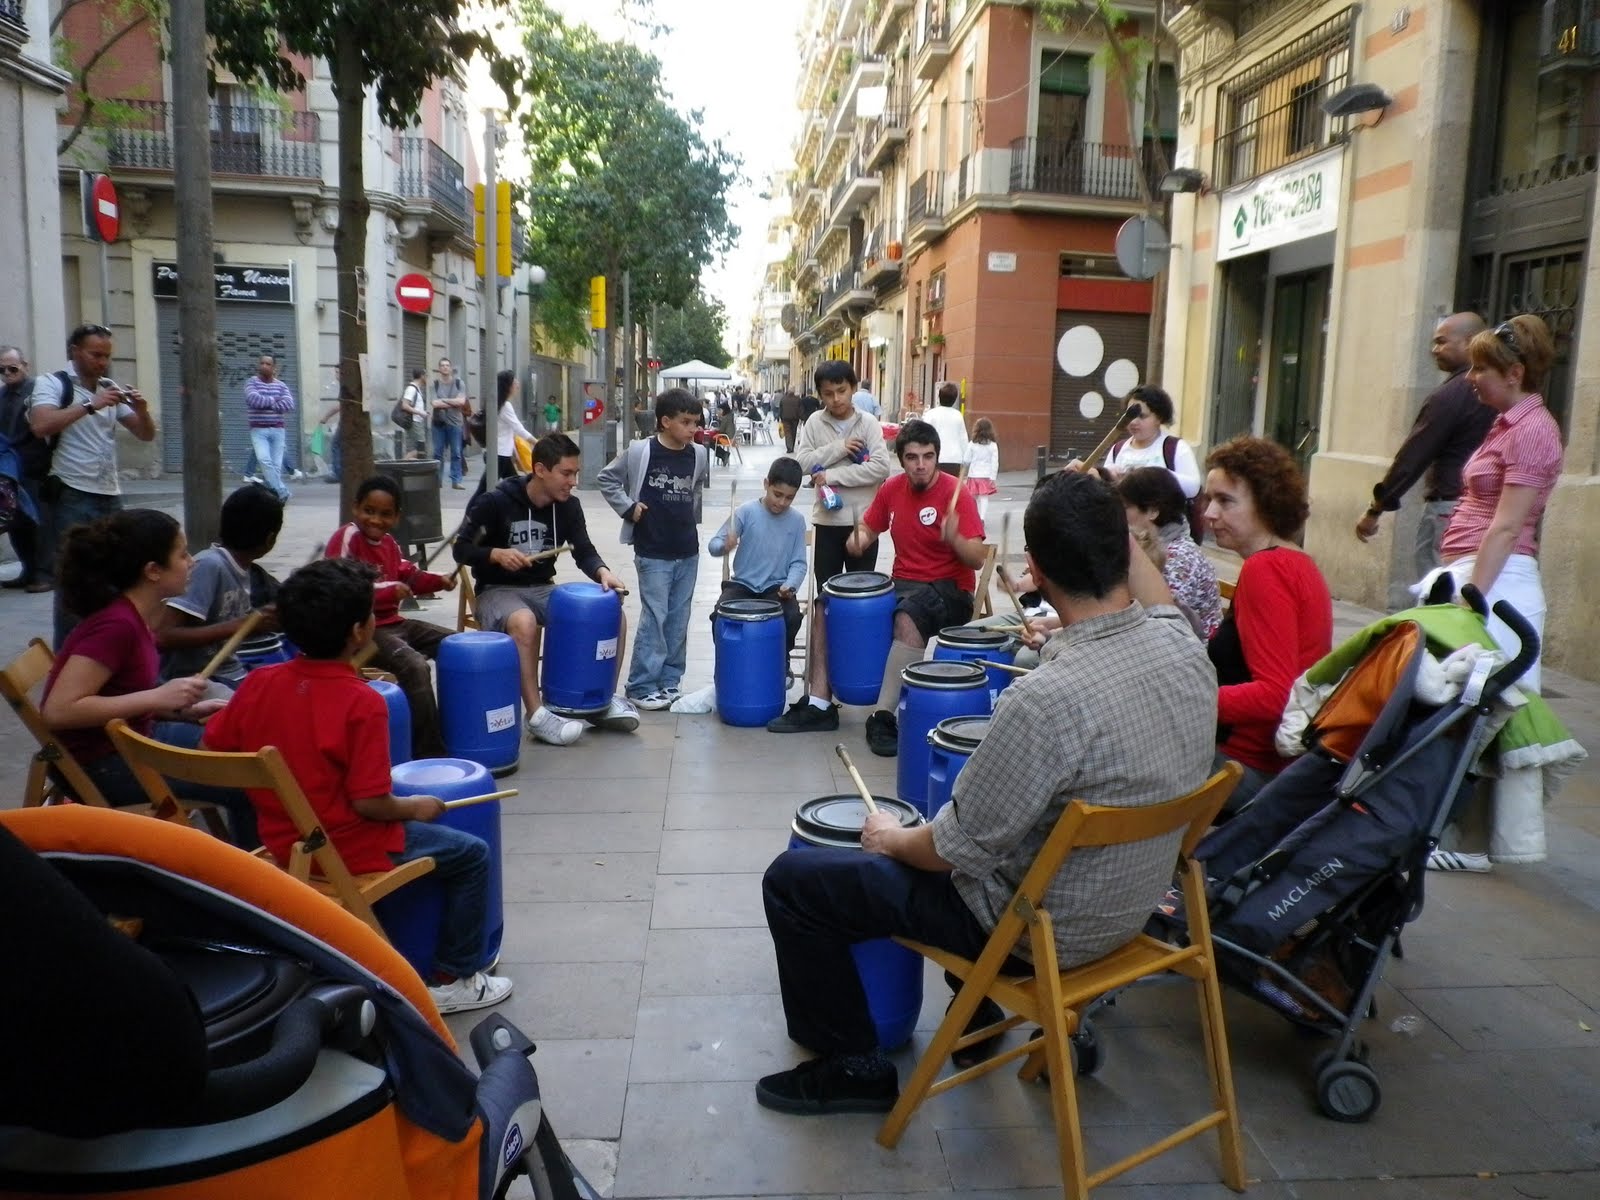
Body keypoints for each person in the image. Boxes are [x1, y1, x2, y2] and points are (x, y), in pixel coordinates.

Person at [756, 471, 1217, 1114]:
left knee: (797, 879)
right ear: (1124, 547)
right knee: (1007, 835)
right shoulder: (1183, 646)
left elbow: (949, 849)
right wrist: (1106, 519)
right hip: (1131, 912)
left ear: (1035, 569)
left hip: (1037, 936)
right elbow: (1150, 590)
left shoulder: (1044, 700)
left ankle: (852, 1066)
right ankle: (971, 1021)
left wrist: (889, 839)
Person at [202, 557, 513, 1015]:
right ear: (359, 632)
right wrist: (417, 807)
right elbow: (371, 802)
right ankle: (455, 977)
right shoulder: (362, 702)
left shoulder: (259, 682)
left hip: (280, 839)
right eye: (370, 613)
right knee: (471, 855)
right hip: (344, 845)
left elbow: (215, 744)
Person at [1422, 314, 1564, 873]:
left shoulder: (1531, 429)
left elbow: (1506, 527)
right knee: (1467, 707)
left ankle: (1470, 844)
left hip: (1498, 582)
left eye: (1482, 368)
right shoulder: (1507, 422)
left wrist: (1470, 597)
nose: (1471, 377)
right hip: (1481, 573)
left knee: (1482, 710)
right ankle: (1459, 834)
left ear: (1516, 372)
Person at [39, 509, 255, 847]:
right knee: (254, 782)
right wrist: (158, 698)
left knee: (245, 750)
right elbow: (59, 711)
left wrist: (179, 710)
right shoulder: (116, 626)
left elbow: (121, 693)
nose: (192, 563)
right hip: (104, 765)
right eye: (182, 554)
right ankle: (256, 886)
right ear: (153, 571)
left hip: (134, 740)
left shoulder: (135, 616)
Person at [771, 420, 986, 758]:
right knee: (826, 604)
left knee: (907, 615)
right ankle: (819, 704)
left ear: (936, 457)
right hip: (903, 584)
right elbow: (867, 532)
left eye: (928, 457)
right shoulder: (892, 488)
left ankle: (884, 716)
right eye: (912, 457)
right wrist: (857, 541)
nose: (920, 465)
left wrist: (955, 537)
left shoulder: (955, 492)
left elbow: (977, 559)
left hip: (950, 589)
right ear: (901, 459)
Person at [455, 432, 639, 743]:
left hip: (542, 588)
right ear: (540, 470)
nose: (573, 481)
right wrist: (495, 554)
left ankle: (599, 700)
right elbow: (461, 550)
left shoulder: (568, 507)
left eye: (575, 473)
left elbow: (583, 550)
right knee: (524, 621)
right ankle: (537, 714)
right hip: (496, 590)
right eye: (566, 473)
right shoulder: (495, 502)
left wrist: (604, 573)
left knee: (609, 612)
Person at [1204, 437, 1333, 810]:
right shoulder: (1296, 561)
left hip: (1247, 767)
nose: (1210, 513)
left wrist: (1188, 699)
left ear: (1267, 501)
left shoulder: (1266, 568)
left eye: (1226, 501)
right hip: (1276, 766)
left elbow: (1275, 693)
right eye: (1209, 499)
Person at [28, 324, 158, 643]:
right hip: (72, 492)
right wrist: (90, 405)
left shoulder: (108, 386)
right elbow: (40, 425)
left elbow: (145, 434)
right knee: (75, 579)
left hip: (109, 493)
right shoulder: (53, 383)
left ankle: (101, 647)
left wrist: (142, 410)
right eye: (95, 354)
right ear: (75, 351)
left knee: (115, 575)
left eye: (107, 356)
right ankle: (68, 654)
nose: (102, 362)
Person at [327, 475, 458, 757]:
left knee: (458, 646)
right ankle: (429, 754)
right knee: (415, 666)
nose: (375, 520)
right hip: (363, 631)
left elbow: (411, 575)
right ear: (355, 508)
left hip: (394, 624)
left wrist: (439, 581)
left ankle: (457, 729)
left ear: (397, 517)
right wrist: (390, 590)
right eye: (369, 511)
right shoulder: (347, 536)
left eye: (385, 514)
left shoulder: (390, 544)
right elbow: (341, 585)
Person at [1355, 312, 1493, 580]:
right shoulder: (1495, 391)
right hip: (1481, 510)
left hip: (1450, 506)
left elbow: (1413, 457)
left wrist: (1375, 508)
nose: (1434, 350)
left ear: (1469, 342)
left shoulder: (1452, 395)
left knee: (1436, 594)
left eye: (1442, 342)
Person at [598, 389, 712, 710]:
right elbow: (606, 478)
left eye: (696, 423)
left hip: (687, 549)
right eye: (686, 422)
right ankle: (641, 684)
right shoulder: (640, 451)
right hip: (652, 550)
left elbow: (695, 490)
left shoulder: (698, 454)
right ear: (665, 422)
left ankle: (669, 682)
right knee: (655, 617)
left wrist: (691, 522)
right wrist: (628, 507)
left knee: (679, 618)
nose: (693, 429)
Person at [158, 484, 284, 692]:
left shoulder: (245, 570)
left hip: (231, 672)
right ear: (270, 539)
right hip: (198, 680)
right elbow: (163, 636)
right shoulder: (210, 565)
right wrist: (242, 625)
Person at [708, 456, 808, 653]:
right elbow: (714, 544)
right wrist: (724, 546)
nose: (781, 502)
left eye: (789, 498)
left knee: (792, 616)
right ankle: (729, 661)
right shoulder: (746, 512)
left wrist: (791, 585)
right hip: (742, 584)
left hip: (775, 587)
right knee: (720, 615)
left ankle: (780, 659)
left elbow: (799, 563)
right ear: (766, 484)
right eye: (777, 494)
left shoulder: (797, 520)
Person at [1117, 467, 1223, 639]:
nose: (1118, 514)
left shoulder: (1178, 559)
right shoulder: (1163, 546)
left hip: (1195, 655)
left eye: (1125, 507)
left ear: (1152, 511)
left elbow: (1161, 626)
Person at [0, 344, 51, 590]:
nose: (7, 374)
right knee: (15, 521)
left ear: (24, 366)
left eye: (12, 368)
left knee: (37, 521)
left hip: (34, 465)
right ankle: (28, 570)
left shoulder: (37, 390)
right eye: (2, 370)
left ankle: (43, 574)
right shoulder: (3, 395)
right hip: (11, 467)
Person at [1104, 385, 1202, 499]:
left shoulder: (1175, 448)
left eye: (1142, 416)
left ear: (1159, 417)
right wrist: (1109, 474)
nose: (1134, 422)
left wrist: (1155, 475)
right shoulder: (1118, 449)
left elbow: (1193, 488)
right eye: (1130, 416)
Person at [244, 354, 295, 502]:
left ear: (274, 368)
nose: (264, 366)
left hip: (278, 429)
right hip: (258, 430)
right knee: (264, 460)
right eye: (262, 363)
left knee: (276, 465)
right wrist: (275, 401)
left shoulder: (281, 385)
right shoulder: (251, 383)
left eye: (268, 364)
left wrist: (266, 403)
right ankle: (282, 491)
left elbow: (289, 404)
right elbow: (254, 400)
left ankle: (274, 497)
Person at [476, 369, 534, 496]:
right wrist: (537, 443)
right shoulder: (505, 406)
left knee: (515, 485)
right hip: (499, 455)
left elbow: (507, 432)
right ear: (508, 386)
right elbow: (519, 429)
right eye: (514, 381)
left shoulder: (498, 403)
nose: (517, 384)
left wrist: (514, 452)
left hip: (501, 454)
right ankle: (471, 515)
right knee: (484, 490)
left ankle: (514, 513)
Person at [431, 357, 469, 490]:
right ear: (439, 368)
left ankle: (456, 481)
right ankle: (437, 481)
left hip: (455, 423)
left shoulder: (459, 383)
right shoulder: (435, 384)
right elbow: (434, 403)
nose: (445, 367)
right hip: (438, 424)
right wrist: (453, 401)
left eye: (447, 365)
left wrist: (444, 400)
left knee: (456, 453)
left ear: (451, 368)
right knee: (437, 453)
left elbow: (461, 402)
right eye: (442, 365)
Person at [923, 382, 968, 476]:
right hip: (954, 459)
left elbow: (923, 435)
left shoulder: (931, 414)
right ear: (955, 399)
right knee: (951, 487)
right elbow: (963, 438)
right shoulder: (958, 415)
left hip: (934, 456)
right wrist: (966, 459)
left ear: (939, 397)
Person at [964, 417, 999, 527]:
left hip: (973, 475)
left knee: (973, 498)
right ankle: (982, 518)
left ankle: (973, 517)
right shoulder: (993, 445)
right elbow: (995, 462)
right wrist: (993, 477)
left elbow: (966, 460)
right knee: (984, 498)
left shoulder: (972, 444)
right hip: (986, 475)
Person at [396, 367, 429, 460]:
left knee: (420, 450)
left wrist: (422, 412)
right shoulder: (411, 389)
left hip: (417, 421)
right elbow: (405, 406)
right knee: (420, 449)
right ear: (422, 376)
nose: (427, 378)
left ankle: (409, 466)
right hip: (414, 422)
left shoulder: (416, 389)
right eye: (426, 375)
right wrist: (420, 413)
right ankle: (401, 466)